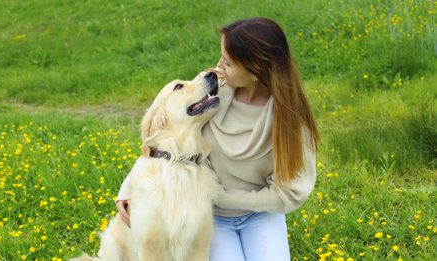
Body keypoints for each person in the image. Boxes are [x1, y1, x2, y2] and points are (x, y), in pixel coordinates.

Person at [116, 17, 319, 261]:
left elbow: (290, 194)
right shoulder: (215, 87)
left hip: (260, 213)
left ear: (256, 70)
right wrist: (129, 187)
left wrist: (224, 197)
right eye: (222, 56)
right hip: (207, 213)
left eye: (229, 63)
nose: (218, 67)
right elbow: (168, 137)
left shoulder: (290, 123)